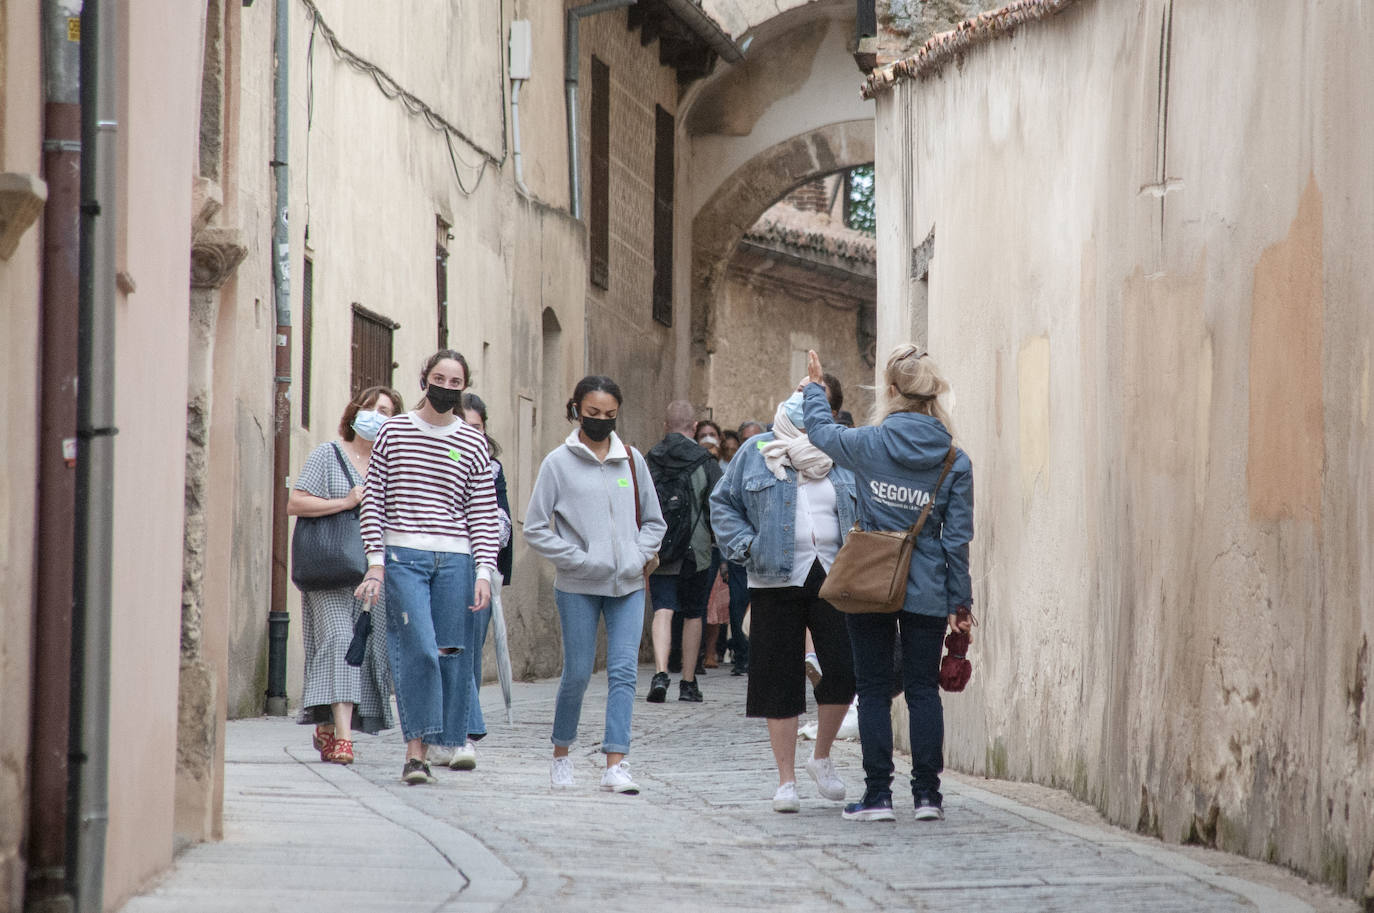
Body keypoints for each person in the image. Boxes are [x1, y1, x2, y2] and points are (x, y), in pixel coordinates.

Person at [800, 346, 974, 823]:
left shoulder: (869, 443)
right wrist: (960, 602)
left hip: (870, 580)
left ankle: (878, 796)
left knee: (873, 689)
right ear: (933, 396)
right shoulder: (954, 460)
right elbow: (957, 540)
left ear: (892, 391)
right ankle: (928, 796)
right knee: (923, 691)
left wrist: (815, 389)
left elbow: (820, 431)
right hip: (928, 586)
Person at [354, 349, 501, 786]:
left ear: (464, 388)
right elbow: (374, 498)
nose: (446, 388)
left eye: (456, 383)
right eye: (440, 379)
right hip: (404, 556)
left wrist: (484, 572)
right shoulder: (394, 431)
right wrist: (375, 563)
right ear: (424, 379)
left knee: (450, 653)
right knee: (418, 648)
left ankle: (443, 741)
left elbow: (483, 511)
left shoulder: (473, 442)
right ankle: (414, 753)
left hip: (456, 559)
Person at [710, 379, 858, 813]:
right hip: (774, 576)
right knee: (778, 678)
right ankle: (786, 780)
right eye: (800, 402)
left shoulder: (843, 453)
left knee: (845, 669)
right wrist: (747, 547)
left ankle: (821, 757)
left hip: (836, 573)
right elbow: (723, 502)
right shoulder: (757, 451)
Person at [523, 376, 665, 794]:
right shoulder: (557, 463)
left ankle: (615, 763)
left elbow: (654, 521)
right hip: (578, 586)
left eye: (609, 414)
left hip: (628, 585)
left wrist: (638, 554)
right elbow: (535, 527)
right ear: (576, 410)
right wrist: (579, 559)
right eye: (593, 413)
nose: (601, 420)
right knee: (578, 673)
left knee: (623, 672)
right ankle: (561, 753)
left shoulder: (632, 461)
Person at [288, 385, 402, 764]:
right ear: (355, 412)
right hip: (329, 569)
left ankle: (328, 721)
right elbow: (295, 502)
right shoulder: (328, 454)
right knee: (339, 640)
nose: (376, 416)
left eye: (385, 411)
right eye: (370, 408)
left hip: (372, 572)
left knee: (361, 650)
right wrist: (346, 502)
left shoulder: (392, 465)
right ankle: (343, 738)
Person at [446, 391, 514, 772]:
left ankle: (463, 735)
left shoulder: (492, 470)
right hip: (440, 562)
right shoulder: (438, 456)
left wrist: (480, 538)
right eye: (465, 426)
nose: (472, 434)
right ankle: (445, 732)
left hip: (478, 569)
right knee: (442, 650)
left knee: (468, 652)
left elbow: (502, 524)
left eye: (478, 428)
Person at [645, 401, 723, 703]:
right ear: (694, 427)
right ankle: (688, 682)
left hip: (661, 547)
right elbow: (717, 504)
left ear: (666, 426)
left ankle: (660, 673)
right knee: (693, 614)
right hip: (696, 550)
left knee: (663, 610)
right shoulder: (705, 461)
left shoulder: (651, 458)